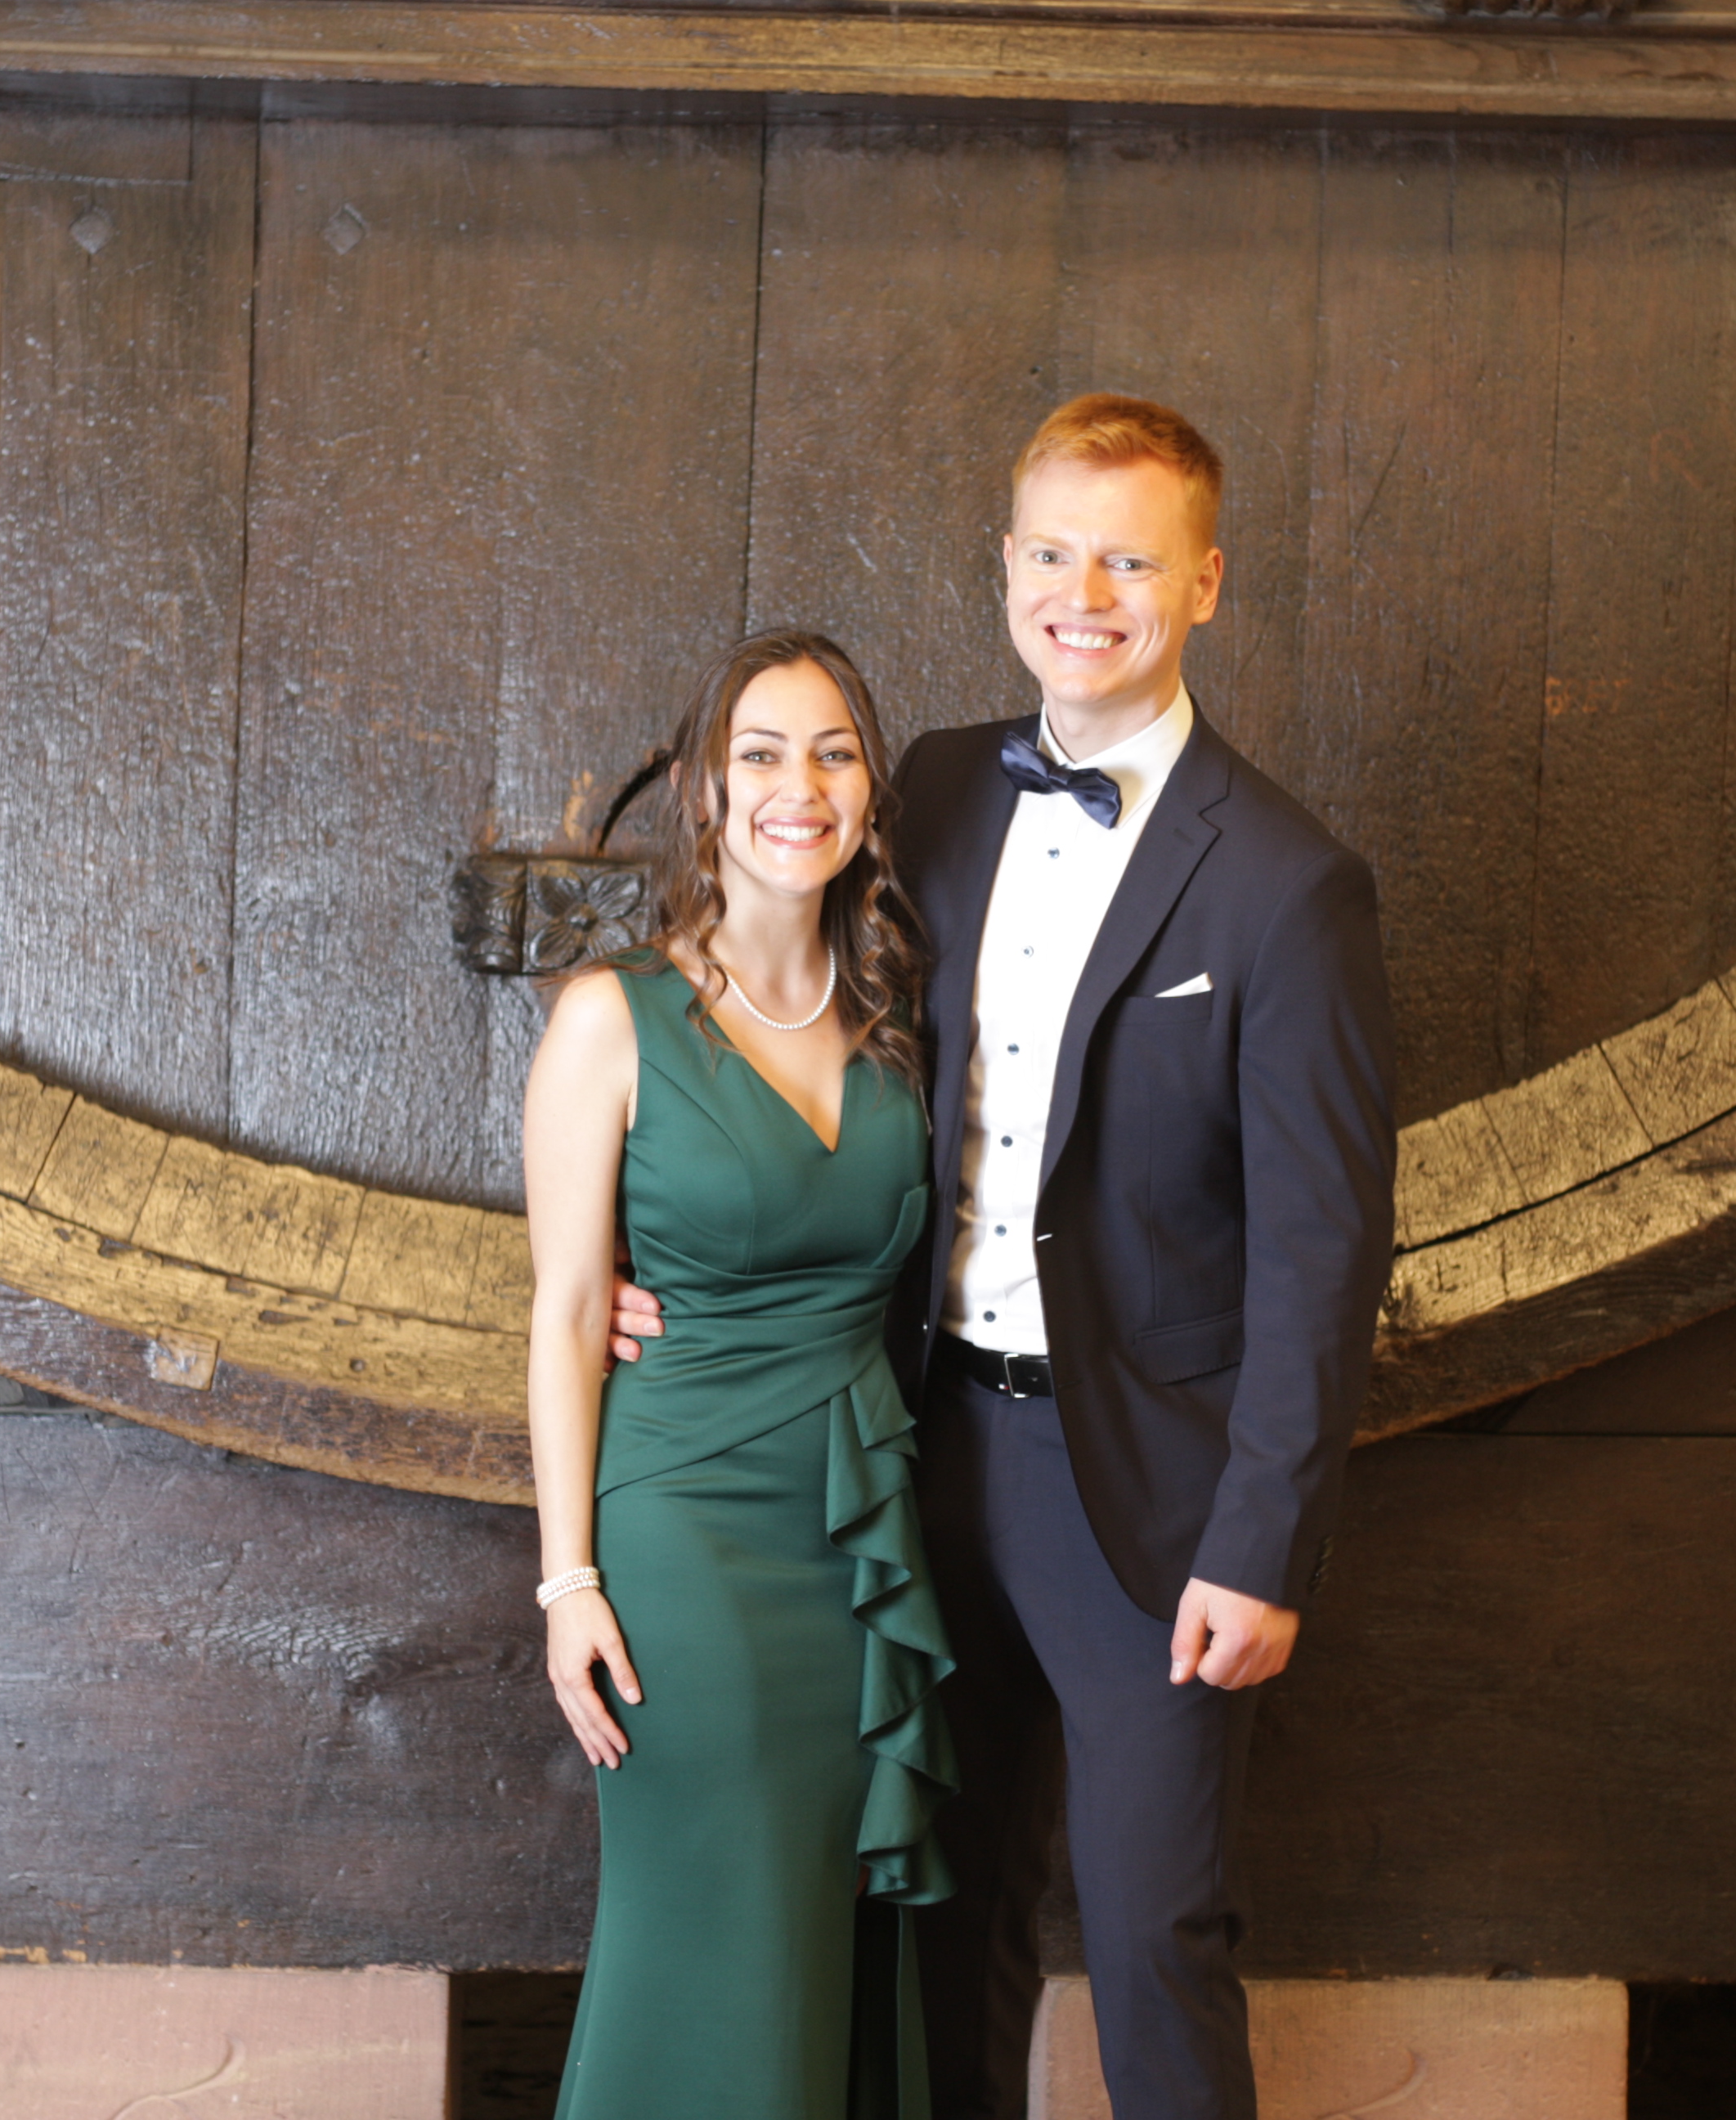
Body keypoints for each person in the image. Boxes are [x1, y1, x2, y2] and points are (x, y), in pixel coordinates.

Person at [621, 397, 1399, 2120]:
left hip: (1153, 1504)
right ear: (1005, 569)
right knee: (930, 1917)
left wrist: (1263, 1544)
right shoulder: (939, 787)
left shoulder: (1291, 888)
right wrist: (637, 1243)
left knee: (1153, 1935)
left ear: (1207, 582)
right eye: (1054, 553)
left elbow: (1326, 1251)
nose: (1085, 595)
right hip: (911, 1454)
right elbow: (763, 1009)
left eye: (1130, 561)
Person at [523, 629, 957, 2120]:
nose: (800, 787)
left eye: (834, 754)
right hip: (684, 1531)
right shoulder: (611, 1017)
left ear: (869, 793)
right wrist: (567, 1582)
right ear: (706, 790)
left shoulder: (901, 1020)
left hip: (855, 1533)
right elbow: (568, 1313)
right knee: (710, 1928)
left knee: (817, 1932)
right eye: (761, 755)